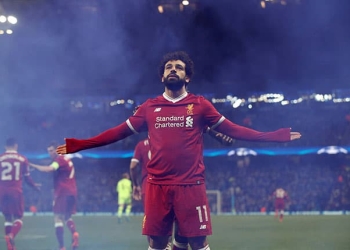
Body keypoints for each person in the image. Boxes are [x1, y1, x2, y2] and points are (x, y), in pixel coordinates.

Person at [56, 51, 301, 250]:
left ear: (187, 77)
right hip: (158, 186)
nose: (173, 69)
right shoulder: (149, 108)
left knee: (198, 242)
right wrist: (79, 144)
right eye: (169, 67)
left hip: (191, 185)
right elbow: (117, 132)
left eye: (179, 67)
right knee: (157, 242)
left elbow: (235, 130)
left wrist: (275, 136)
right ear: (162, 77)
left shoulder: (200, 105)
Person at [30, 142, 79, 250]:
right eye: (48, 151)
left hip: (63, 192)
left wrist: (33, 165)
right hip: (72, 191)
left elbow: (49, 169)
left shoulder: (59, 160)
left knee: (57, 218)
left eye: (52, 150)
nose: (50, 153)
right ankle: (74, 233)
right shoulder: (66, 159)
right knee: (67, 217)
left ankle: (61, 246)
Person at [0, 138, 40, 250]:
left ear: (5, 146)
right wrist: (34, 186)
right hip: (15, 191)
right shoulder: (23, 159)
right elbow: (27, 178)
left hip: (2, 192)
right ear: (16, 146)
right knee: (19, 217)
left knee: (7, 218)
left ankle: (10, 246)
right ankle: (11, 236)